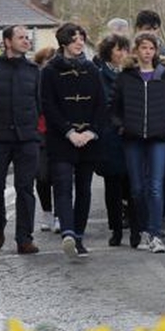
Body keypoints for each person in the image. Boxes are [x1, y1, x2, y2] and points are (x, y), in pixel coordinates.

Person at [111, 32, 165, 253]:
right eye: (143, 48)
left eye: (151, 48)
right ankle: (141, 228)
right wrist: (122, 126)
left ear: (156, 51)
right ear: (136, 50)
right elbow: (114, 108)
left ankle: (155, 233)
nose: (147, 52)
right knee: (137, 188)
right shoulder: (126, 77)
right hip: (133, 138)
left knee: (155, 186)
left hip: (158, 138)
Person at [40, 22, 106, 259]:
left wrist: (90, 131)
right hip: (61, 139)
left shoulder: (92, 69)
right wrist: (69, 132)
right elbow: (48, 105)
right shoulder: (49, 71)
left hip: (89, 139)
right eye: (75, 38)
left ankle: (78, 236)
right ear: (64, 42)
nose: (80, 42)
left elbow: (101, 104)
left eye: (82, 37)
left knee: (84, 189)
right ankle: (68, 232)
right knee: (63, 185)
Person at [0, 24, 41, 255]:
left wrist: (34, 131)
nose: (26, 41)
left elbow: (39, 104)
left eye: (28, 37)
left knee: (25, 188)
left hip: (27, 139)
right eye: (21, 37)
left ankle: (24, 239)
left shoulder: (34, 71)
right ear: (7, 42)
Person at [134, 9, 165, 234]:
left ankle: (161, 213)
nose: (149, 33)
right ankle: (147, 218)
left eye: (153, 29)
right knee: (143, 177)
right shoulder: (131, 60)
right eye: (145, 29)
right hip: (139, 127)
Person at [95, 32, 132, 247]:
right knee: (113, 186)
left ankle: (135, 226)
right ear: (109, 53)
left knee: (133, 184)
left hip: (132, 134)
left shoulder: (131, 74)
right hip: (110, 136)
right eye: (119, 49)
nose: (123, 54)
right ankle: (116, 228)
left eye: (126, 49)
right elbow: (103, 105)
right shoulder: (100, 75)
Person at [33, 46, 60, 233]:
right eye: (46, 60)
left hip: (59, 132)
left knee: (61, 175)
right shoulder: (34, 80)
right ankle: (47, 213)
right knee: (42, 176)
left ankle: (60, 215)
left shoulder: (61, 78)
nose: (49, 64)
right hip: (40, 133)